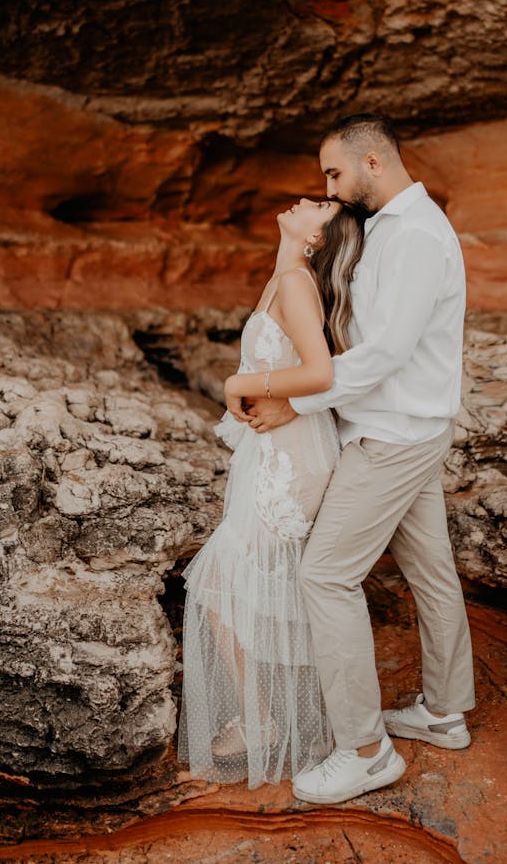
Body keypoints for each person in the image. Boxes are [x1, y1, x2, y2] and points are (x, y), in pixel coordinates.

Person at [243, 114, 475, 805]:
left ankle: (365, 751)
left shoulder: (416, 237)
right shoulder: (394, 230)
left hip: (392, 436)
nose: (329, 188)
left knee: (325, 576)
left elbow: (383, 354)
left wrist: (296, 404)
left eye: (335, 173)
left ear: (374, 161)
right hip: (407, 427)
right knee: (431, 568)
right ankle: (444, 712)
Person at [177, 196, 366, 789]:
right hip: (273, 450)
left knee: (222, 582)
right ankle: (267, 715)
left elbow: (320, 373)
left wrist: (240, 381)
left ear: (317, 238)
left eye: (319, 204)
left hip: (292, 459)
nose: (304, 198)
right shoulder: (283, 277)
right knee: (236, 585)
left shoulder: (296, 283)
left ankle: (267, 720)